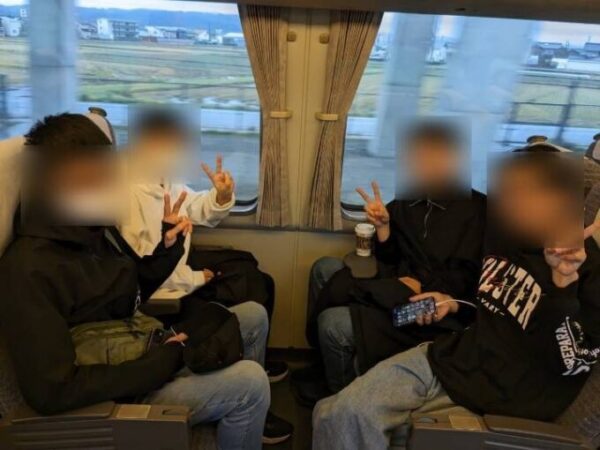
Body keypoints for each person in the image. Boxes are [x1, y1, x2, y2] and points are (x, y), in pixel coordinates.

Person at [0, 113, 272, 450]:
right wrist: (164, 361)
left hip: (140, 346)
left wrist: (167, 248)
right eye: (92, 178)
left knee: (253, 316)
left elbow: (131, 288)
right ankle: (240, 410)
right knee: (251, 385)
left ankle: (237, 424)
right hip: (121, 395)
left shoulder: (90, 230)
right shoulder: (28, 270)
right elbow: (54, 391)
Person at [312, 151, 600, 450]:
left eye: (527, 191)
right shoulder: (505, 235)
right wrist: (452, 302)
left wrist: (562, 283)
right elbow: (486, 301)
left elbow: (569, 362)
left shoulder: (585, 268)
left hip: (501, 395)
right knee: (330, 412)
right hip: (455, 355)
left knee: (345, 403)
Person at [120, 109, 292, 443]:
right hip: (167, 300)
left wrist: (221, 195)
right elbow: (143, 276)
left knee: (252, 285)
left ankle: (256, 402)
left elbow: (198, 207)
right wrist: (198, 277)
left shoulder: (163, 180)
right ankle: (246, 396)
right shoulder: (127, 197)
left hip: (182, 276)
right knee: (250, 286)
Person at [294, 122, 486, 403]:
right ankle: (326, 365)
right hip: (399, 283)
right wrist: (383, 228)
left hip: (433, 308)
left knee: (333, 322)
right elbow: (390, 257)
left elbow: (471, 280)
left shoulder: (480, 212)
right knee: (324, 268)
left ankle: (341, 398)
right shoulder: (410, 200)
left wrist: (420, 285)